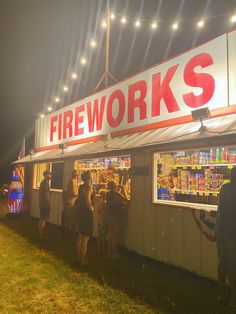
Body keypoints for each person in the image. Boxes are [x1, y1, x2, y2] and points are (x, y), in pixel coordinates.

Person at [216, 167, 236, 308]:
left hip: (222, 231)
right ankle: (233, 299)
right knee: (232, 267)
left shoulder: (224, 188)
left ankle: (221, 292)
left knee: (223, 263)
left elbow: (220, 210)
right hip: (232, 234)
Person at [75, 170, 94, 266]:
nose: (92, 177)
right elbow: (87, 200)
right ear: (88, 178)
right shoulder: (88, 187)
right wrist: (91, 209)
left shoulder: (81, 186)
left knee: (80, 235)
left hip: (80, 212)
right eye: (91, 176)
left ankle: (78, 257)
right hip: (86, 213)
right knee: (85, 237)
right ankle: (83, 260)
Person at [107, 180, 129, 259]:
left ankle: (109, 253)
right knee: (115, 236)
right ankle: (114, 254)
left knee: (110, 235)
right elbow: (126, 200)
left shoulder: (108, 193)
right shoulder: (116, 194)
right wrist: (123, 190)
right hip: (116, 215)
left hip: (109, 215)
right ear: (114, 186)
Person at [38, 170, 52, 240]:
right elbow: (46, 195)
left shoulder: (43, 182)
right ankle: (42, 236)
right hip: (45, 204)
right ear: (46, 175)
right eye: (49, 174)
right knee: (43, 220)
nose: (50, 176)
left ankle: (40, 234)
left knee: (41, 219)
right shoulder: (46, 183)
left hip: (41, 203)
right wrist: (49, 205)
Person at [97, 189, 108, 255]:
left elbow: (98, 211)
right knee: (103, 235)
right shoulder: (105, 203)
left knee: (99, 234)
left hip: (99, 218)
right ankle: (104, 249)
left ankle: (99, 248)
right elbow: (107, 211)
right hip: (103, 219)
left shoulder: (100, 203)